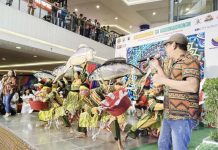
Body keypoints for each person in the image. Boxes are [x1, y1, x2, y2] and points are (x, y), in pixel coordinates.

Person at [151, 33, 200, 150]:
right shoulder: (173, 62)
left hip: (182, 115)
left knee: (179, 147)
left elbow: (193, 86)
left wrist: (162, 79)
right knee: (163, 145)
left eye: (166, 45)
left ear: (173, 45)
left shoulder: (190, 60)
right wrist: (158, 67)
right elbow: (167, 82)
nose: (165, 49)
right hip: (169, 113)